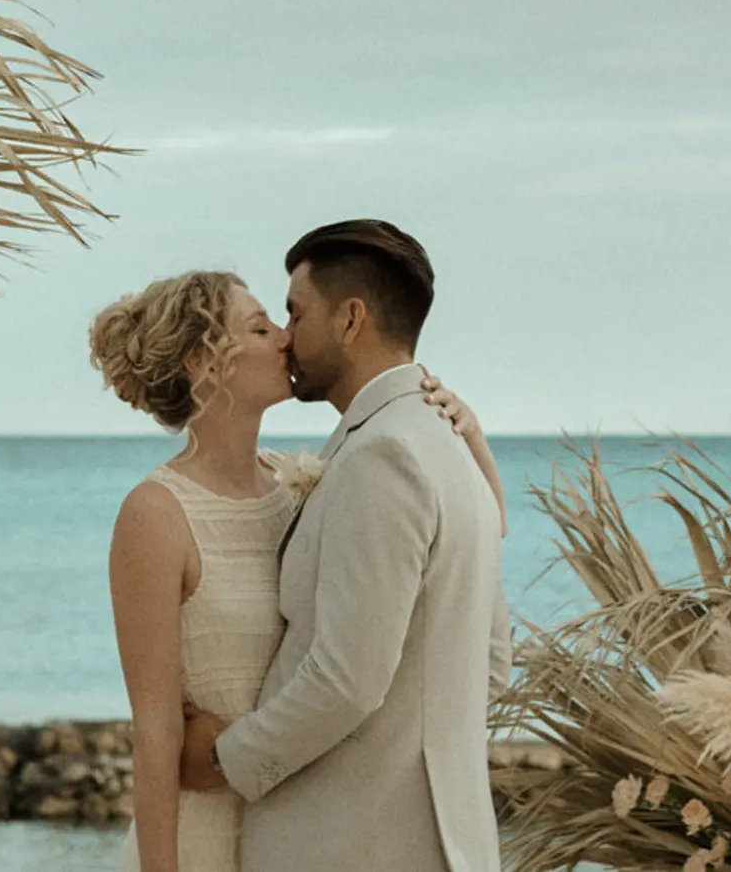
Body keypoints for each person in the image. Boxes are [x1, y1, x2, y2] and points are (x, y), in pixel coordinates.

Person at [91, 255, 501, 872]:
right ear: (202, 364)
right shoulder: (155, 514)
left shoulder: (304, 481)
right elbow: (155, 733)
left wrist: (467, 444)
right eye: (260, 328)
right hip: (203, 833)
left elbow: (438, 586)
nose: (285, 337)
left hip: (298, 826)